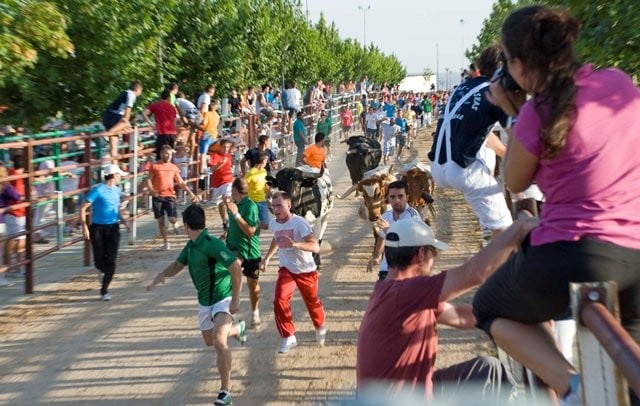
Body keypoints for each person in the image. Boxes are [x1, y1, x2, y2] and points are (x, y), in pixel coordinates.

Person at [472, 6, 640, 405]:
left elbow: (514, 182)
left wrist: (514, 113)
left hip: (570, 253)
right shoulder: (619, 83)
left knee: (489, 306)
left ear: (516, 64)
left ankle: (571, 387)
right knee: (628, 373)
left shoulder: (536, 111)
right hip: (635, 253)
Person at [357, 218, 535, 401]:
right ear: (421, 254)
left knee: (488, 369)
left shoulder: (392, 292)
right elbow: (476, 273)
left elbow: (461, 317)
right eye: (434, 253)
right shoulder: (407, 292)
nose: (434, 260)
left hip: (405, 394)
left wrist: (516, 311)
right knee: (491, 375)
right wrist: (518, 229)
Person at [146, 204, 246, 406]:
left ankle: (225, 393)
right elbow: (177, 265)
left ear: (185, 225)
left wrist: (235, 299)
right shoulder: (190, 246)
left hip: (222, 297)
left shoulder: (212, 244)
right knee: (210, 341)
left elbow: (235, 268)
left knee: (218, 342)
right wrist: (161, 276)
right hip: (204, 302)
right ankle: (237, 329)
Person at [428, 44, 513, 238]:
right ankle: (500, 258)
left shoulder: (463, 87)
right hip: (463, 169)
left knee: (484, 143)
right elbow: (521, 138)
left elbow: (483, 134)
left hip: (438, 166)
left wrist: (505, 153)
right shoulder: (497, 92)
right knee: (506, 231)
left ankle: (487, 225)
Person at [259, 192, 327, 354]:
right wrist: (267, 258)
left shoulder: (299, 223)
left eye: (279, 206)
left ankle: (320, 325)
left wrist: (295, 244)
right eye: (273, 206)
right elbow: (277, 238)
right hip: (286, 269)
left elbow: (315, 247)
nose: (275, 209)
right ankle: (288, 336)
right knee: (279, 299)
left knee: (312, 302)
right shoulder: (274, 224)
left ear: (288, 205)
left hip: (306, 270)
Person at [80, 164, 128, 301]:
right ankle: (103, 271)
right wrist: (84, 227)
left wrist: (124, 222)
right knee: (99, 261)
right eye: (119, 175)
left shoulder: (117, 191)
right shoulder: (98, 190)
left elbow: (115, 209)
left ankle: (104, 290)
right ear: (113, 175)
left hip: (113, 228)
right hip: (98, 229)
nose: (120, 177)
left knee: (111, 261)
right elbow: (83, 208)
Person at [224, 178, 262, 327]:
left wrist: (236, 214)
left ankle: (255, 313)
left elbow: (250, 232)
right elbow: (233, 226)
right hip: (234, 249)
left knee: (253, 286)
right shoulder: (234, 205)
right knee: (230, 273)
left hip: (250, 252)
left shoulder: (250, 206)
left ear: (235, 191)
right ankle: (231, 311)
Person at [367, 180, 421, 281]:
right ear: (388, 198)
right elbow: (382, 237)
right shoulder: (386, 216)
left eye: (400, 196)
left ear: (407, 197)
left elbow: (411, 242)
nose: (396, 200)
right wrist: (376, 256)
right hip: (386, 269)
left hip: (406, 270)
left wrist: (389, 230)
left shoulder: (413, 216)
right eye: (392, 197)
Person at [147, 145, 199, 250]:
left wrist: (190, 193)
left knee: (172, 218)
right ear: (161, 154)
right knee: (161, 221)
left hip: (170, 195)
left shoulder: (173, 167)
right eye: (166, 153)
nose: (168, 156)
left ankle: (175, 223)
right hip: (158, 196)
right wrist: (151, 190)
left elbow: (180, 181)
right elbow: (148, 180)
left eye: (170, 154)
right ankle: (166, 242)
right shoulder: (155, 166)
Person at [102, 80, 143, 159]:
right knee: (126, 123)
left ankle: (114, 166)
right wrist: (127, 124)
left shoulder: (125, 93)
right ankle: (107, 134)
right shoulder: (131, 95)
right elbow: (127, 112)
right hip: (113, 116)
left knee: (114, 144)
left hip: (108, 116)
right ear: (138, 89)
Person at [142, 88, 178, 160]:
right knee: (170, 157)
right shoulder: (172, 107)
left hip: (163, 133)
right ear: (168, 98)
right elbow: (175, 120)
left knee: (161, 157)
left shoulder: (156, 105)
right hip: (173, 134)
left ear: (160, 97)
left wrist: (151, 123)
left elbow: (144, 113)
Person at [208, 139, 234, 232]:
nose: (226, 149)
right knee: (221, 204)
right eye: (224, 147)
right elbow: (212, 169)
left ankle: (232, 220)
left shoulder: (230, 156)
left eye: (228, 147)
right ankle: (224, 220)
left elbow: (230, 167)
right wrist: (221, 164)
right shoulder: (215, 156)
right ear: (220, 147)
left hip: (227, 181)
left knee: (226, 199)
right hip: (217, 183)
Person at [244, 151, 270, 229]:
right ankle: (253, 235)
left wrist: (270, 193)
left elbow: (265, 185)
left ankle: (254, 228)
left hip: (262, 201)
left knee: (266, 225)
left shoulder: (264, 171)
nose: (267, 162)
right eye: (266, 160)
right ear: (263, 161)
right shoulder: (251, 173)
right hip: (252, 202)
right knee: (254, 225)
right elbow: (244, 186)